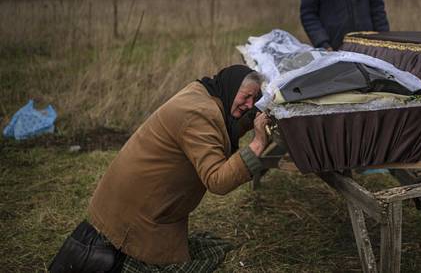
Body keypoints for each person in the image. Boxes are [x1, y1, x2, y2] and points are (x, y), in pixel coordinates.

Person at [49, 65, 270, 272]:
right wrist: (258, 143)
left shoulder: (201, 93)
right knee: (200, 259)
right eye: (246, 96)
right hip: (136, 218)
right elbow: (217, 181)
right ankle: (118, 259)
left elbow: (224, 129)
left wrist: (252, 118)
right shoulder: (200, 115)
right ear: (231, 88)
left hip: (124, 206)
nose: (250, 104)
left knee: (209, 248)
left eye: (255, 99)